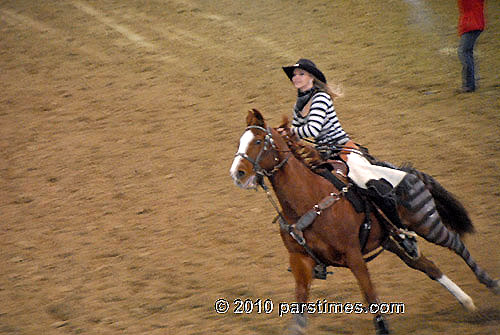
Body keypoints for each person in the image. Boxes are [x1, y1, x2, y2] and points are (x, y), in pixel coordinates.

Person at [281, 59, 412, 237]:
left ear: (311, 77)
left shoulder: (321, 98)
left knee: (369, 185)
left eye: (301, 74)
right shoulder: (299, 104)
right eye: (295, 75)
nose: (296, 78)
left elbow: (312, 129)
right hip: (323, 153)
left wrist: (289, 131)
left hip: (343, 150)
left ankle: (401, 231)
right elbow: (298, 132)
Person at [457, 0, 485, 93]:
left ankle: (469, 85)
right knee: (467, 52)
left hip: (471, 24)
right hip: (474, 23)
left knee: (464, 52)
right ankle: (470, 84)